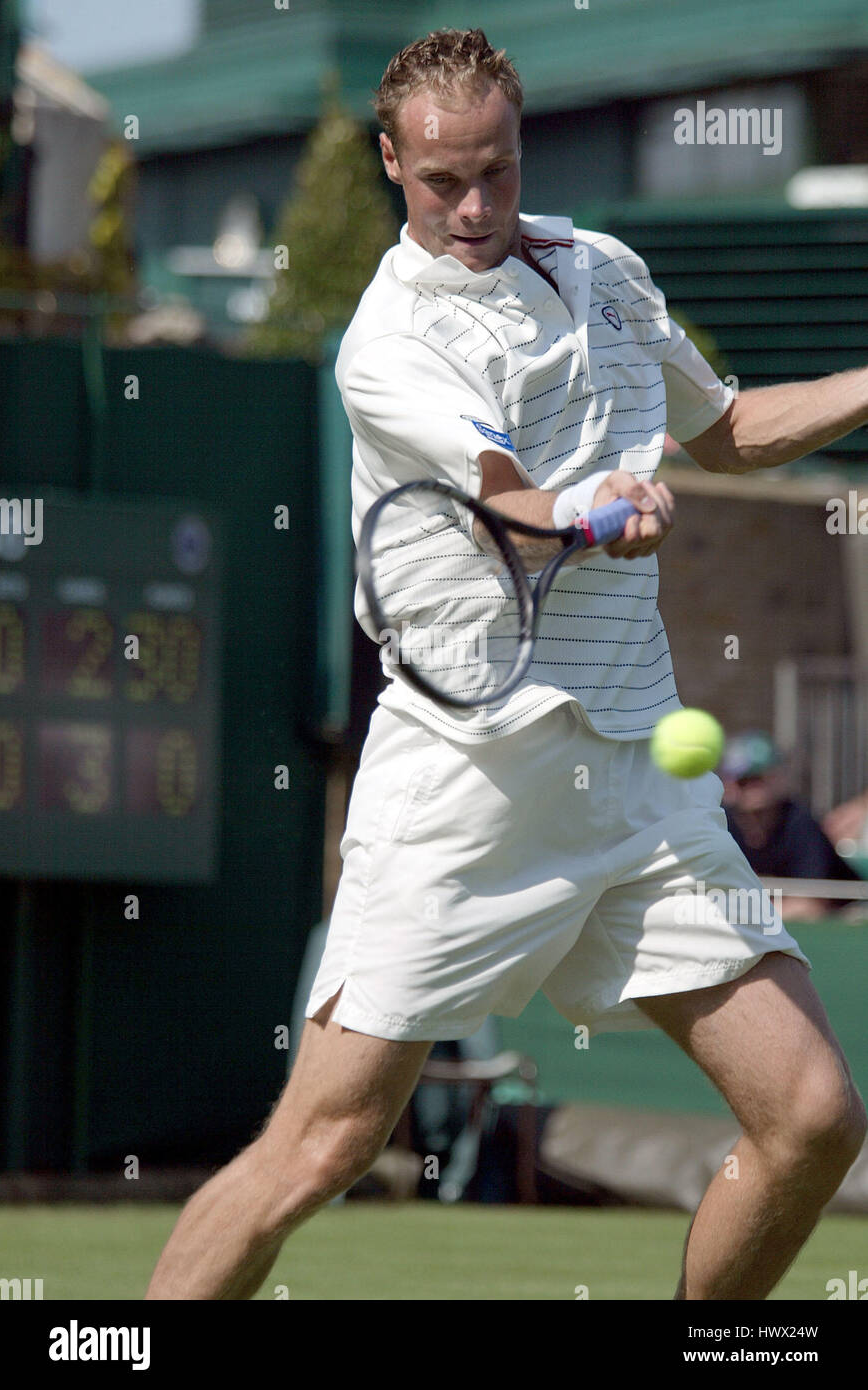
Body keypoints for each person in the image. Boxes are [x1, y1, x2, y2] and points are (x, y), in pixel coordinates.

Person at [146, 28, 868, 1301]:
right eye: (441, 181)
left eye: (497, 171)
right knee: (319, 1145)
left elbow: (736, 432)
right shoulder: (387, 343)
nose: (475, 207)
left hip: (637, 778)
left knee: (812, 1115)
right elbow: (510, 499)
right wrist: (605, 508)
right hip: (464, 785)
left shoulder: (605, 269)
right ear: (390, 162)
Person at [721, 732, 864, 920]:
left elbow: (810, 904)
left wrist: (745, 915)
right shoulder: (720, 825)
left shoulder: (800, 824)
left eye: (760, 778)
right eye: (743, 781)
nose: (752, 788)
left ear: (778, 777)